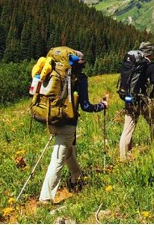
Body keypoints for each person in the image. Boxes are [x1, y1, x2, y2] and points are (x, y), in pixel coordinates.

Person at [39, 50, 108, 204]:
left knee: (69, 151)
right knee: (57, 160)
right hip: (67, 124)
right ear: (81, 65)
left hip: (50, 120)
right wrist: (101, 106)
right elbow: (85, 106)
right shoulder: (80, 78)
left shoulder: (55, 73)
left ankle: (76, 178)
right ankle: (45, 198)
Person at [119, 42, 154, 162]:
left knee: (128, 128)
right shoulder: (150, 65)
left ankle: (124, 157)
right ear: (151, 53)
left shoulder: (133, 64)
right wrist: (151, 94)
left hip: (129, 99)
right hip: (144, 100)